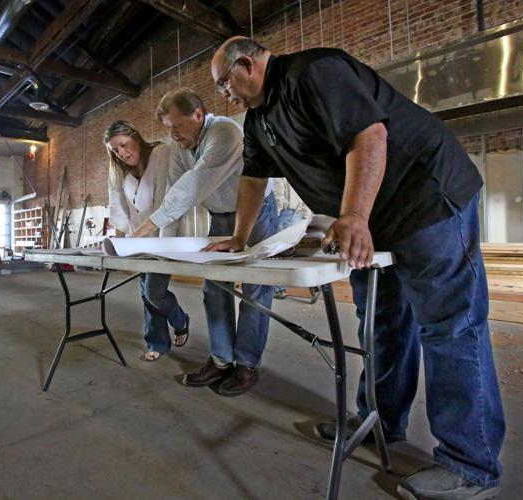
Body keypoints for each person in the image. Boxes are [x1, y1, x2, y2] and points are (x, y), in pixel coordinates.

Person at [207, 37, 505, 499]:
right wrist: (242, 238)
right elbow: (253, 177)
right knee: (380, 323)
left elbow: (369, 136)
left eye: (224, 84)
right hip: (371, 220)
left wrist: (353, 218)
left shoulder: (315, 72)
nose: (224, 95)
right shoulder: (260, 119)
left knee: (450, 326)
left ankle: (471, 463)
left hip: (424, 198)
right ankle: (380, 421)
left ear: (246, 63)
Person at [131, 88, 278, 396]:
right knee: (214, 289)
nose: (172, 133)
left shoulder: (225, 132)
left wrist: (147, 226)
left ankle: (247, 365)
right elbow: (176, 196)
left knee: (256, 289)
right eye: (167, 128)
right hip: (221, 217)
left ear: (198, 115)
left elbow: (194, 184)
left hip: (256, 213)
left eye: (177, 125)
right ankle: (222, 360)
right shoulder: (179, 146)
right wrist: (162, 252)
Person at [104, 120, 189, 362]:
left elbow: (167, 201)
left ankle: (180, 319)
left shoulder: (162, 154)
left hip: (164, 238)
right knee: (145, 293)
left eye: (123, 145)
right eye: (115, 150)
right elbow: (118, 206)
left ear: (135, 136)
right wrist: (120, 243)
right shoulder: (118, 170)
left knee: (154, 291)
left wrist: (161, 243)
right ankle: (157, 343)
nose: (121, 153)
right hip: (136, 240)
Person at [271, 178, 310, 299]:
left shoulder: (278, 173)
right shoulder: (298, 174)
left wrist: (273, 215)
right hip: (297, 214)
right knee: (288, 254)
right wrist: (306, 216)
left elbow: (278, 193)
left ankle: (278, 288)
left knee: (277, 253)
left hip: (284, 213)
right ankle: (280, 287)